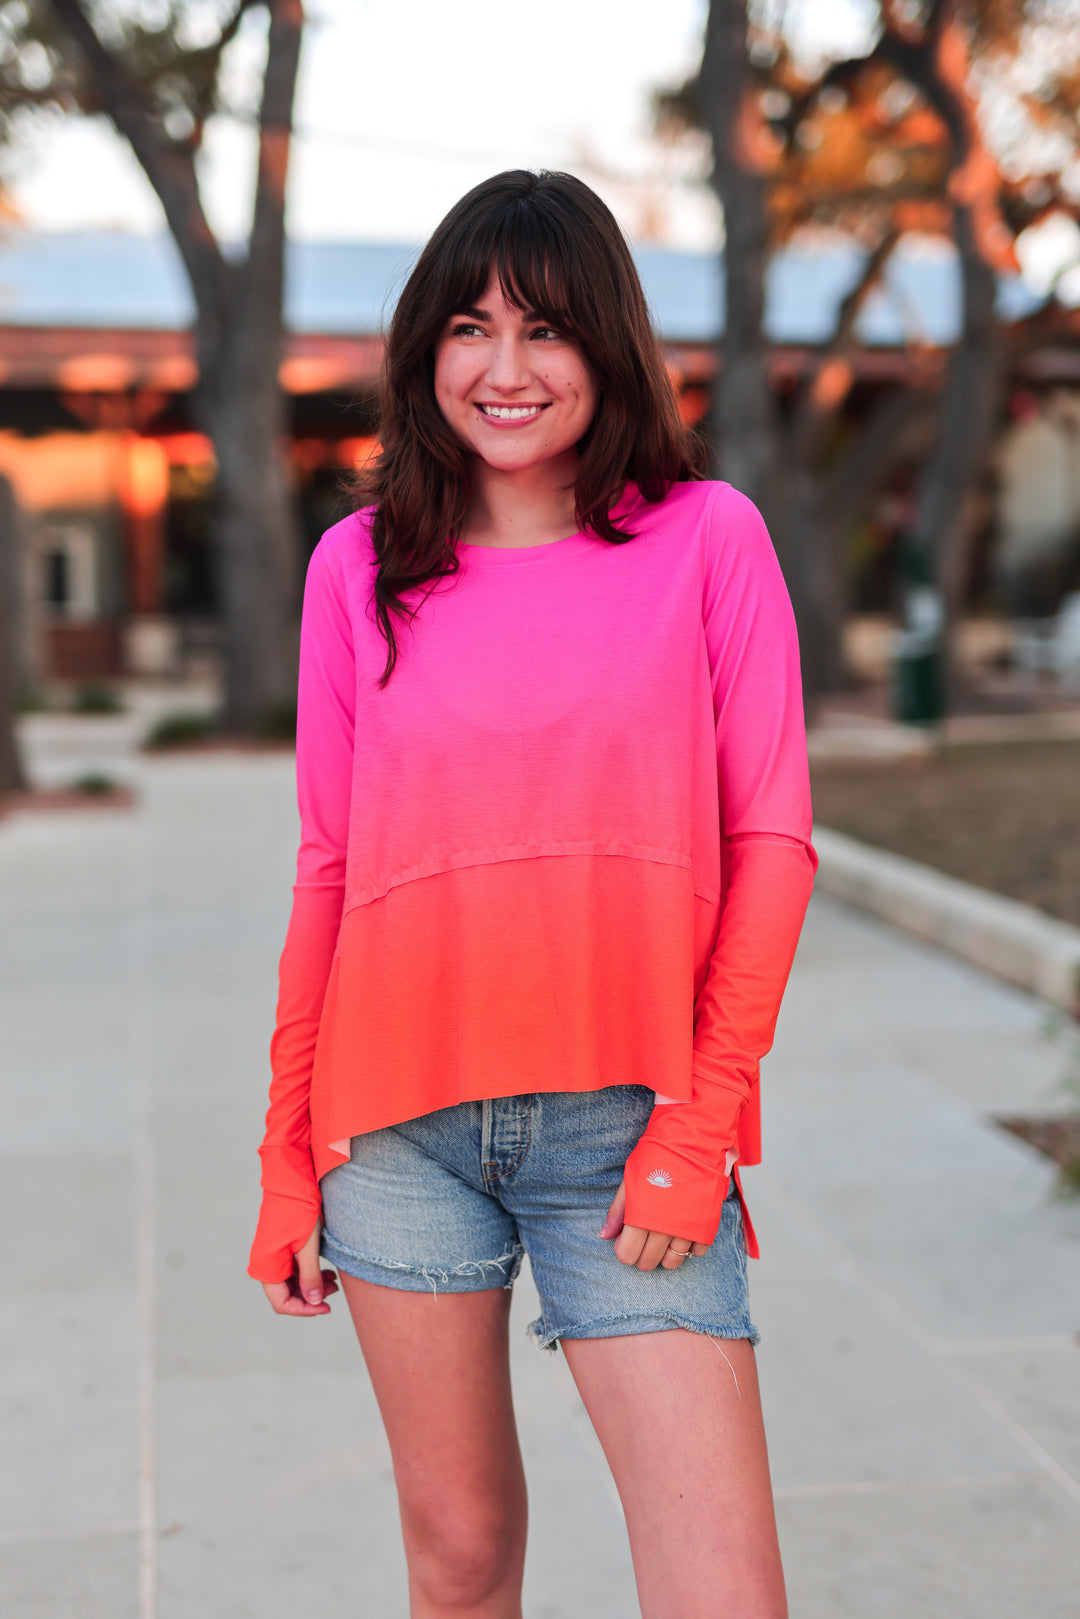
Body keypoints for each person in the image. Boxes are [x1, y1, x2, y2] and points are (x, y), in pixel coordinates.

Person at [248, 169, 817, 1619]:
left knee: (723, 1590)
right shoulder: (357, 569)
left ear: (608, 347)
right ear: (422, 353)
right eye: (468, 328)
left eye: (547, 330)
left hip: (631, 1130)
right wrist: (285, 1153)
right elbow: (330, 865)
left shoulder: (707, 541)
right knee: (458, 1559)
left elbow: (774, 847)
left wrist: (698, 1133)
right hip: (395, 1136)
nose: (505, 370)